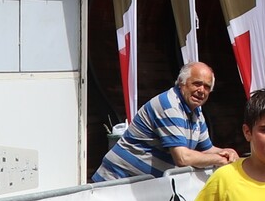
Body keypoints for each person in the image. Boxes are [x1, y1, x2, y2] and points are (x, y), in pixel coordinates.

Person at [96, 62, 225, 177]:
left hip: (143, 185)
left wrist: (227, 152)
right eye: (197, 84)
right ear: (182, 83)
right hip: (118, 181)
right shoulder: (169, 105)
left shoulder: (196, 111)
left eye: (207, 87)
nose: (201, 90)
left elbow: (207, 149)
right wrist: (218, 159)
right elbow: (182, 158)